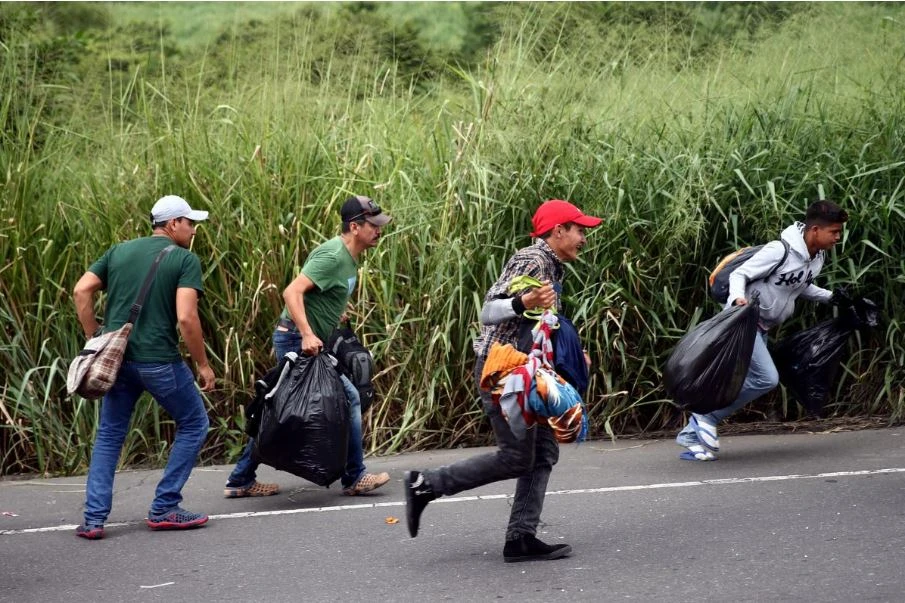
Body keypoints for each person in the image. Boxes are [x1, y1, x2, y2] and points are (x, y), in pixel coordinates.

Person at [403, 199, 602, 563]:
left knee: (541, 453)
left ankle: (520, 538)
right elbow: (488, 310)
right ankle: (426, 485)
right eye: (579, 230)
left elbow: (544, 323)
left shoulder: (553, 266)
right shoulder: (533, 259)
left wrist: (572, 350)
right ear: (558, 231)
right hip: (504, 375)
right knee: (516, 457)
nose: (584, 238)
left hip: (525, 374)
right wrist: (521, 300)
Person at [225, 195, 392, 498]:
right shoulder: (333, 256)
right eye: (373, 225)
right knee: (343, 399)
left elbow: (316, 291)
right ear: (355, 227)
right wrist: (305, 333)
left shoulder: (347, 256)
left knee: (282, 410)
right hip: (296, 339)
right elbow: (292, 293)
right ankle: (355, 477)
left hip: (311, 339)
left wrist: (332, 309)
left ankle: (240, 479)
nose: (379, 231)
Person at [72, 195, 215, 540]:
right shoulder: (183, 259)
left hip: (117, 361)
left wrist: (96, 337)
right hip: (159, 361)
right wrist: (203, 364)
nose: (194, 230)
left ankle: (93, 520)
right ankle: (165, 506)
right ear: (172, 224)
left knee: (108, 435)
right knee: (195, 423)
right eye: (189, 222)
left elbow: (81, 290)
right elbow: (186, 317)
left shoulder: (119, 251)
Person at [676, 199, 849, 461]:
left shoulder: (817, 258)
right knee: (767, 379)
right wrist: (737, 299)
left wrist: (832, 297)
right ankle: (705, 416)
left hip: (762, 326)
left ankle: (691, 435)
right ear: (815, 230)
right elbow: (740, 275)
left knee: (739, 379)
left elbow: (800, 286)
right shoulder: (779, 250)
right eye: (834, 232)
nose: (838, 237)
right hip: (743, 323)